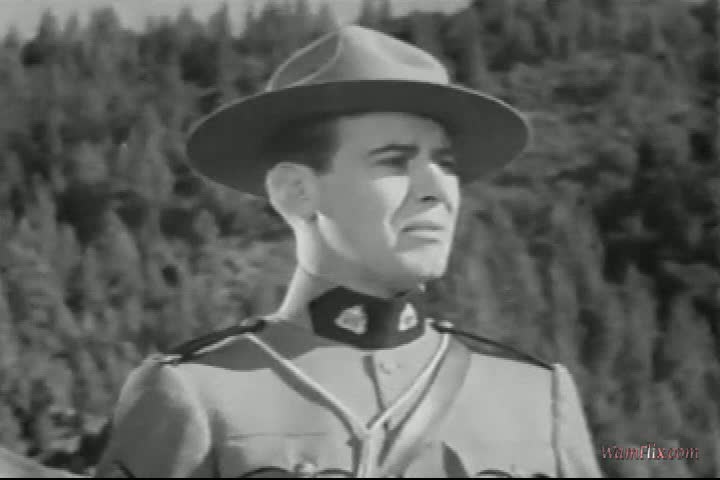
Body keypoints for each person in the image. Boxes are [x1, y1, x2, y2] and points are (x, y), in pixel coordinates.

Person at [94, 25, 603, 478]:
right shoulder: (197, 392)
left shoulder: (537, 396)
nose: (437, 190)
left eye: (446, 165)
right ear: (296, 190)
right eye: (394, 161)